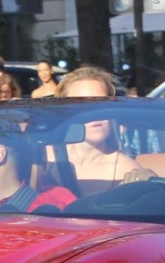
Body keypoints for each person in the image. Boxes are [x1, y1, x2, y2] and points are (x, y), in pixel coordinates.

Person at [50, 66, 141, 194]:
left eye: (101, 103)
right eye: (83, 104)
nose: (94, 113)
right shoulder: (42, 160)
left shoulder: (127, 170)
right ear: (66, 111)